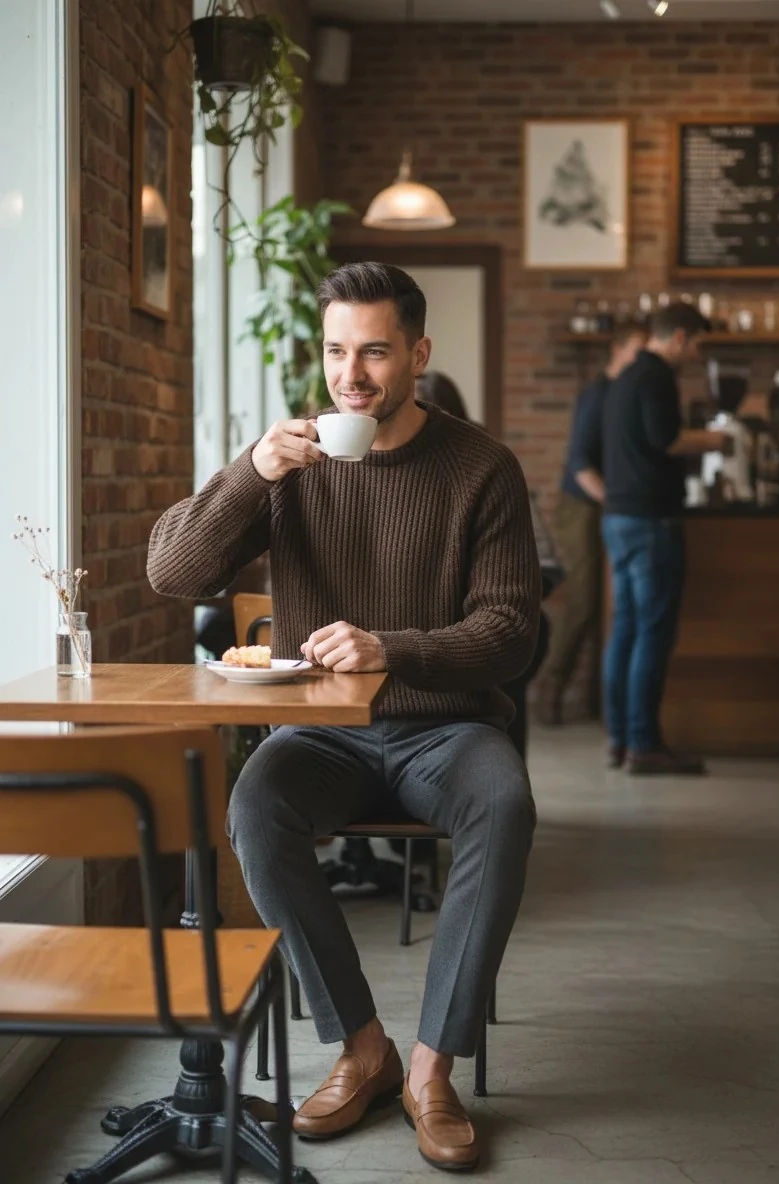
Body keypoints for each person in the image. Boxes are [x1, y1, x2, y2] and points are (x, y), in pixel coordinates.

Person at [148, 263, 541, 1173]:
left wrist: (390, 648)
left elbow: (510, 631)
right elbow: (172, 574)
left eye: (372, 350)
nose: (350, 374)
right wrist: (252, 471)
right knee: (255, 807)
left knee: (504, 804)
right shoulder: (290, 463)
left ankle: (431, 1070)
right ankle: (362, 1047)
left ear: (417, 353)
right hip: (321, 732)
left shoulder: (481, 467)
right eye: (334, 350)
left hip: (447, 729)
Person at [593, 302, 727, 776]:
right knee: (651, 631)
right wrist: (718, 440)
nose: (696, 353)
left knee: (626, 629)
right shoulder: (655, 378)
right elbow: (665, 439)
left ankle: (620, 741)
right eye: (696, 344)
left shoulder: (624, 377)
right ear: (679, 338)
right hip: (651, 520)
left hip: (620, 517)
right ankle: (644, 745)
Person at [415, 370, 560, 760]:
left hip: (491, 620)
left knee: (503, 658)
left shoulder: (487, 465)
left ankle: (505, 765)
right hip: (422, 631)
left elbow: (548, 562)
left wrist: (501, 581)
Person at [535, 324, 647, 726]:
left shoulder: (624, 394)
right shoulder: (598, 395)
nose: (645, 358)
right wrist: (617, 502)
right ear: (618, 350)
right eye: (639, 349)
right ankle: (550, 686)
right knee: (582, 600)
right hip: (581, 507)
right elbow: (580, 462)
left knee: (605, 604)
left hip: (605, 508)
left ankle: (592, 698)